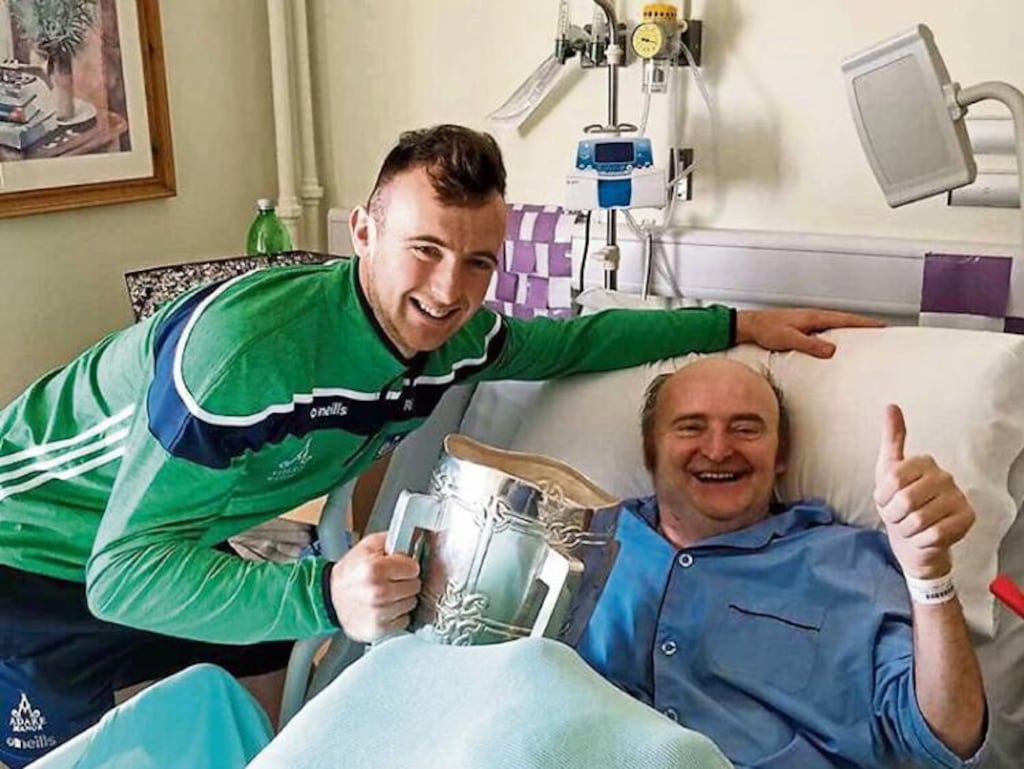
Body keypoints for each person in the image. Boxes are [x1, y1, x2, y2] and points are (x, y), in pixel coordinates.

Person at [0, 123, 879, 767]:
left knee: (254, 710)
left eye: (476, 263)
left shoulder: (455, 342)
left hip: (176, 536)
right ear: (363, 233)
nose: (447, 289)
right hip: (31, 552)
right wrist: (322, 590)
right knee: (81, 751)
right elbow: (119, 574)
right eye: (424, 250)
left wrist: (736, 321)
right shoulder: (245, 361)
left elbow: (570, 341)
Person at [575, 358, 987, 768]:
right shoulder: (582, 537)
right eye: (691, 427)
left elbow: (946, 737)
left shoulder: (848, 563)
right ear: (650, 451)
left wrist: (930, 576)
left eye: (746, 429)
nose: (718, 450)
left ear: (780, 455)